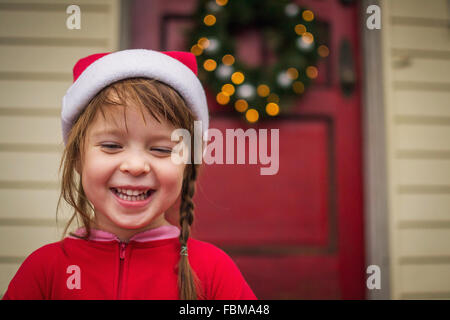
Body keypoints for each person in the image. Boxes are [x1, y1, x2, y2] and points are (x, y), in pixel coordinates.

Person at [3, 49, 257, 300]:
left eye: (161, 149)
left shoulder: (213, 270)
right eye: (111, 146)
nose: (135, 166)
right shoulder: (45, 270)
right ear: (78, 157)